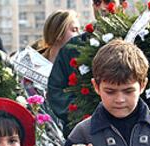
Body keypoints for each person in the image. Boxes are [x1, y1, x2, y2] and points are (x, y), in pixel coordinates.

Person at [45, 0, 120, 130]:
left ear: (123, 4)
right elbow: (56, 91)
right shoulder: (72, 48)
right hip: (86, 132)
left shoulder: (140, 39)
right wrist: (84, 113)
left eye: (108, 2)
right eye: (97, 3)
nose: (102, 8)